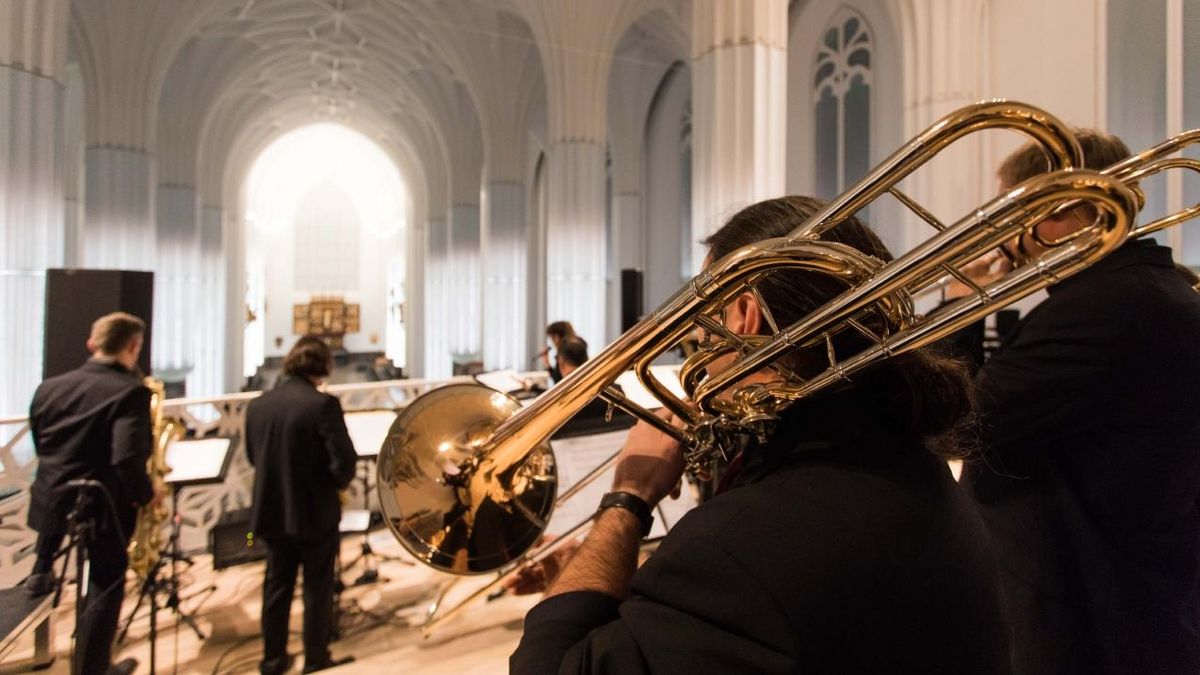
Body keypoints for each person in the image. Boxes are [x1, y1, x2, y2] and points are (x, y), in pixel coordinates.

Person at [510, 196, 1009, 673]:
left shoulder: (740, 546)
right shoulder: (910, 469)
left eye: (701, 315)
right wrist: (602, 571)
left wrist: (627, 500)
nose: (697, 340)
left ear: (744, 316)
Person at [948, 130, 1200, 674]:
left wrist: (958, 309)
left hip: (1087, 615)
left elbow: (958, 422)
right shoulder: (1147, 291)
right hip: (1121, 597)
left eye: (1020, 215)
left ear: (1074, 209)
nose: (1011, 238)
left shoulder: (1105, 308)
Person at [25, 311, 158, 675]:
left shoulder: (48, 387)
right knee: (105, 584)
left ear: (91, 344)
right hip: (101, 506)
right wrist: (147, 495)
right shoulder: (131, 392)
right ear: (134, 347)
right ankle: (93, 668)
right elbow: (127, 457)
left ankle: (41, 568)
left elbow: (43, 443)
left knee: (57, 581)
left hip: (51, 499)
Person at [245, 337, 358, 674]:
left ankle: (273, 658)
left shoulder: (258, 404)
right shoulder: (323, 405)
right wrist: (334, 485)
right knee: (317, 586)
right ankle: (315, 656)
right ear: (323, 366)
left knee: (276, 585)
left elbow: (254, 457)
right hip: (313, 511)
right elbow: (344, 463)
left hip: (271, 508)